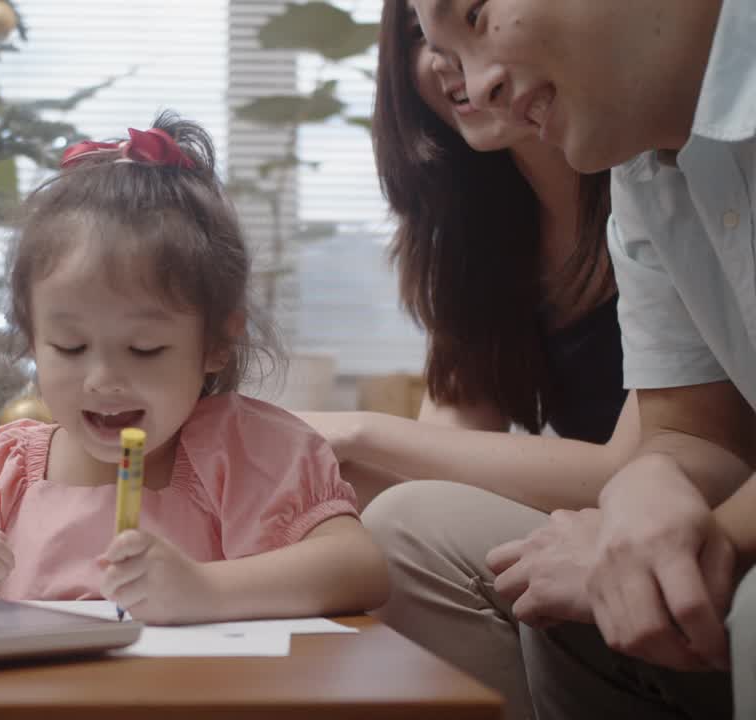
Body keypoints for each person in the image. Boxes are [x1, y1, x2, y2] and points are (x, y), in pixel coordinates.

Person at [407, 0, 756, 717]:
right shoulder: (638, 165)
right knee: (477, 553)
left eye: (475, 14)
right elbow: (695, 431)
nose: (477, 86)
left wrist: (702, 532)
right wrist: (647, 486)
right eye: (444, 52)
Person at [0, 113, 390, 625]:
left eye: (143, 349)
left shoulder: (252, 457)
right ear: (32, 339)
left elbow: (360, 570)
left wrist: (207, 589)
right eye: (70, 347)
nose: (102, 379)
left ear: (216, 343)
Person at [298, 1, 628, 716]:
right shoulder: (477, 229)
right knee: (388, 518)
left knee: (403, 519)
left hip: (694, 505)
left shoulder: (644, 175)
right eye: (420, 35)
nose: (450, 60)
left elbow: (648, 461)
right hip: (589, 519)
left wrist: (356, 433)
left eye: (474, 15)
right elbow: (447, 448)